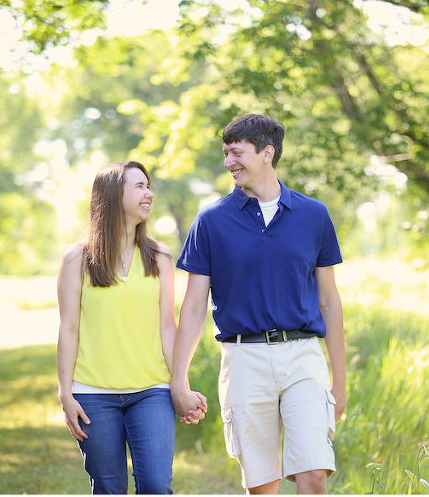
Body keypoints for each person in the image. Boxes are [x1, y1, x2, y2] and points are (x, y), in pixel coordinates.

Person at [170, 114, 347, 494]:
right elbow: (194, 307)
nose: (228, 161)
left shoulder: (313, 215)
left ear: (267, 153)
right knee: (262, 486)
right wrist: (178, 379)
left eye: (237, 152)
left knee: (314, 475)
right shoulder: (211, 221)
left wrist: (341, 381)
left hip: (303, 356)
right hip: (243, 359)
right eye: (225, 153)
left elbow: (330, 301)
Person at [57, 161, 207, 495]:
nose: (149, 194)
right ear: (112, 195)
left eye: (148, 186)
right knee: (109, 489)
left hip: (152, 390)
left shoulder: (160, 256)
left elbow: (169, 327)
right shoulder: (77, 259)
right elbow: (69, 328)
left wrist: (179, 385)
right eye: (138, 186)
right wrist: (65, 393)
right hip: (93, 395)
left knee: (156, 485)